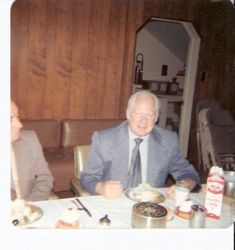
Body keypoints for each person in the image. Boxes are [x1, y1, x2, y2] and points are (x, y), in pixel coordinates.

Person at [80, 90, 200, 199]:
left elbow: (187, 172)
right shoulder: (104, 139)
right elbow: (88, 177)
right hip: (114, 202)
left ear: (156, 117)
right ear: (128, 114)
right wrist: (102, 188)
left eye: (149, 115)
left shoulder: (167, 140)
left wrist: (183, 186)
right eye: (138, 114)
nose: (143, 121)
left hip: (151, 205)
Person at [11, 101, 54, 201]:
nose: (19, 125)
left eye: (17, 116)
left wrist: (29, 207)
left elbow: (45, 178)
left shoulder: (29, 139)